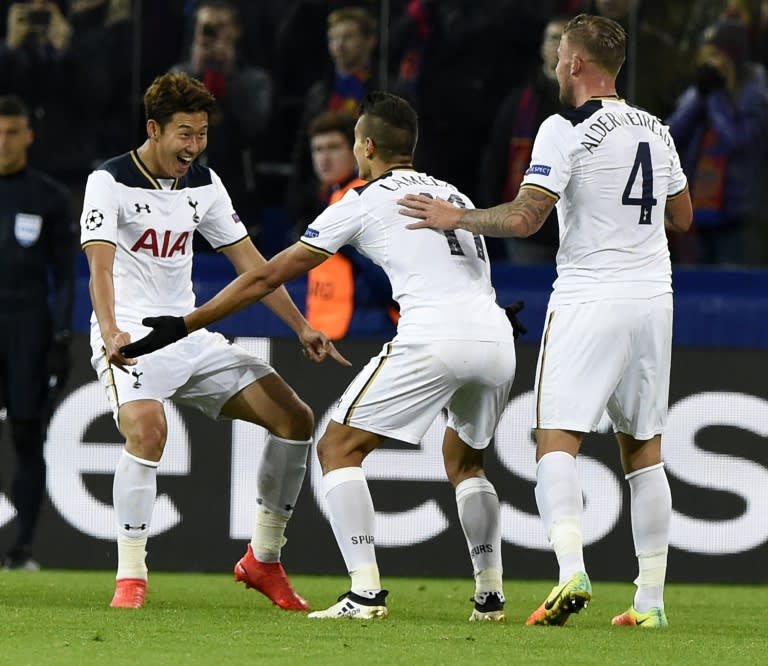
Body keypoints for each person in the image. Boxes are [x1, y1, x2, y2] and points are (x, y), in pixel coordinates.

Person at [121, 90, 522, 622]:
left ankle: (365, 593)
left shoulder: (362, 199)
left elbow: (266, 274)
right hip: (497, 336)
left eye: (356, 142)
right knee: (467, 462)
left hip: (435, 337)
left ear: (368, 146)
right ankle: (490, 596)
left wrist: (186, 323)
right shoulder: (450, 193)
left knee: (336, 447)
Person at [399, 13, 693, 629]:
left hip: (590, 294)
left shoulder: (564, 129)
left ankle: (569, 570)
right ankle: (650, 601)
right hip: (654, 299)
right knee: (644, 451)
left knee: (555, 439)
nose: (557, 65)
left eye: (561, 55)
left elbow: (528, 218)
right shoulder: (656, 129)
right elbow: (683, 217)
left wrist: (458, 218)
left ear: (579, 64)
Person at [79, 71, 347, 610]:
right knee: (149, 432)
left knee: (295, 419)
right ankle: (130, 578)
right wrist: (111, 330)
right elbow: (100, 269)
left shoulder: (204, 182)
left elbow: (253, 267)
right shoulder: (107, 181)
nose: (194, 146)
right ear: (153, 129)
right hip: (130, 332)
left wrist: (300, 326)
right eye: (184, 133)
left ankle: (264, 560)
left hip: (189, 332)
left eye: (202, 133)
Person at [0, 94, 76, 570]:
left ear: (28, 135)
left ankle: (22, 547)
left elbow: (66, 275)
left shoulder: (48, 196)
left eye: (11, 131)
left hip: (28, 329)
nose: (3, 140)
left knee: (28, 435)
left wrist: (62, 336)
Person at [170, 0, 273, 250]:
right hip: (181, 196)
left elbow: (256, 128)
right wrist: (194, 73)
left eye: (221, 27)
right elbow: (164, 130)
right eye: (207, 28)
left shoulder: (253, 79)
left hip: (237, 196)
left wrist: (229, 78)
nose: (213, 35)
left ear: (236, 31)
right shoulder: (179, 75)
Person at [666, 14, 768, 264]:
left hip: (740, 217)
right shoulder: (705, 87)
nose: (708, 63)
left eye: (715, 55)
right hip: (699, 211)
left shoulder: (757, 93)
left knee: (735, 289)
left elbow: (737, 140)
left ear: (732, 57)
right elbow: (668, 136)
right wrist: (701, 96)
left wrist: (714, 99)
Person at [476, 15, 569, 264]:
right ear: (541, 47)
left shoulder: (591, 104)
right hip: (528, 232)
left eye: (566, 39)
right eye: (553, 38)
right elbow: (496, 158)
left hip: (578, 230)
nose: (559, 46)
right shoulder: (519, 104)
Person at [304, 110, 396, 339]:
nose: (324, 159)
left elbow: (384, 275)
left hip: (365, 327)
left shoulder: (363, 198)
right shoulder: (334, 196)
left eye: (333, 147)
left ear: (357, 151)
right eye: (317, 149)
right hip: (331, 328)